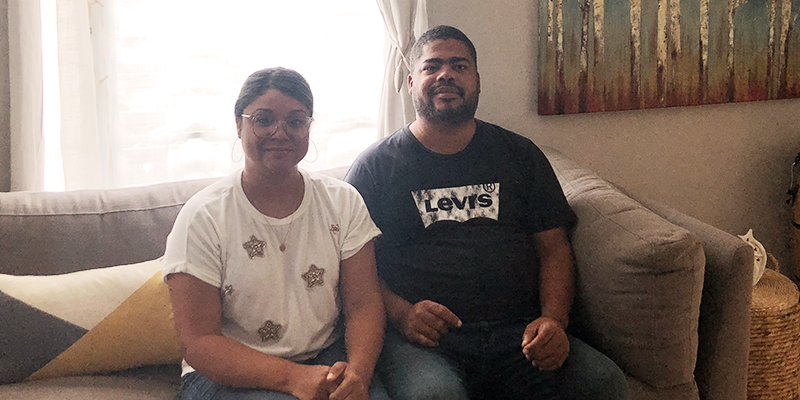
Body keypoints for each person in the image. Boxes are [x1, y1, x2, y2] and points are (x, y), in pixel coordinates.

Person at [345, 26, 631, 400]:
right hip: (426, 341)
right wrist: (402, 314)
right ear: (412, 82)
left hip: (519, 331)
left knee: (604, 383)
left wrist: (554, 321)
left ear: (477, 81)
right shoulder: (374, 168)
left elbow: (554, 249)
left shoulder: (519, 154)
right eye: (432, 67)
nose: (445, 74)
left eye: (459, 66)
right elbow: (354, 272)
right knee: (436, 397)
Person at [163, 67, 390, 400]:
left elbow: (363, 304)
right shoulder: (204, 216)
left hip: (325, 356)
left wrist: (357, 375)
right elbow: (198, 343)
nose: (280, 132)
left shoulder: (343, 201)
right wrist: (293, 378)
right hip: (226, 371)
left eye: (296, 121)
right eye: (264, 119)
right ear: (239, 125)